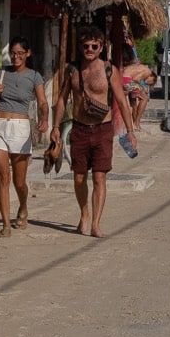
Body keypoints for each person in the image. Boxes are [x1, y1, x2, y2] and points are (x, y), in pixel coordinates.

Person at [0, 41, 50, 235]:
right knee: (3, 177)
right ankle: (6, 225)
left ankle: (23, 206)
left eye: (20, 53)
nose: (16, 56)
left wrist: (44, 118)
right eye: (13, 53)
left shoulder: (34, 76)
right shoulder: (1, 72)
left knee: (19, 182)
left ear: (27, 53)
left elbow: (43, 102)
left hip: (20, 128)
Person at [68, 27, 134, 238]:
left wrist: (130, 131)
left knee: (99, 178)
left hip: (103, 130)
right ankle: (84, 214)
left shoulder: (109, 70)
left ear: (101, 47)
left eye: (94, 46)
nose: (89, 49)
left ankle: (96, 224)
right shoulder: (72, 70)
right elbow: (61, 100)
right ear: (80, 47)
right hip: (79, 129)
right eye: (85, 46)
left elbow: (122, 102)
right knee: (79, 178)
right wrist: (54, 128)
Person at [120, 55, 155, 130]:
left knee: (133, 101)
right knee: (145, 99)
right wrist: (143, 88)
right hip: (127, 81)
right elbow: (136, 79)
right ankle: (136, 123)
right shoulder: (148, 71)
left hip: (124, 79)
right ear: (152, 77)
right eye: (151, 82)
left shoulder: (140, 67)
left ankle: (134, 122)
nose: (149, 84)